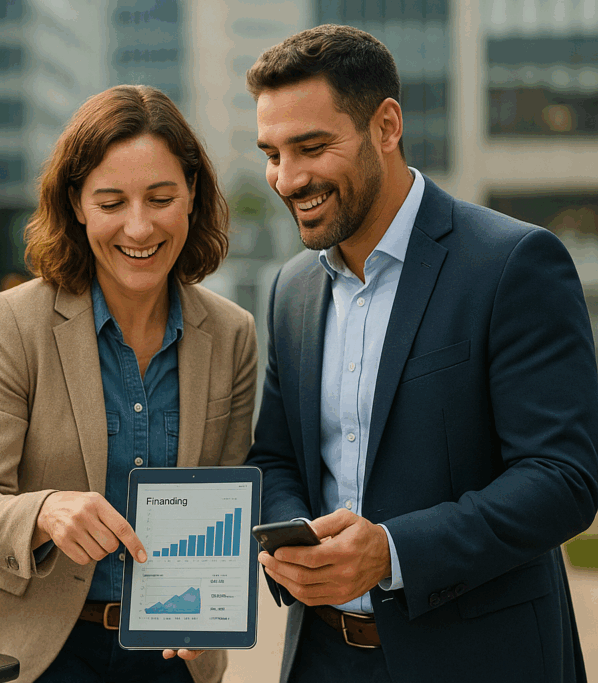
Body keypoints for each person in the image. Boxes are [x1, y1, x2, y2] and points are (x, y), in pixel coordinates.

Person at [243, 24, 598, 683]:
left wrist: (390, 551)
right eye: (272, 152)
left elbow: (563, 478)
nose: (288, 179)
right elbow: (275, 458)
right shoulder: (290, 288)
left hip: (481, 660)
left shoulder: (512, 263)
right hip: (321, 660)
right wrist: (294, 539)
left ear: (386, 125)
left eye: (311, 147)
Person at [0, 84, 257, 683]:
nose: (138, 228)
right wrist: (46, 511)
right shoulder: (11, 323)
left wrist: (212, 612)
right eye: (111, 202)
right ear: (77, 204)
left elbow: (226, 505)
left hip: (173, 653)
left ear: (192, 194)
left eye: (160, 198)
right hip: (30, 654)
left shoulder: (232, 333)